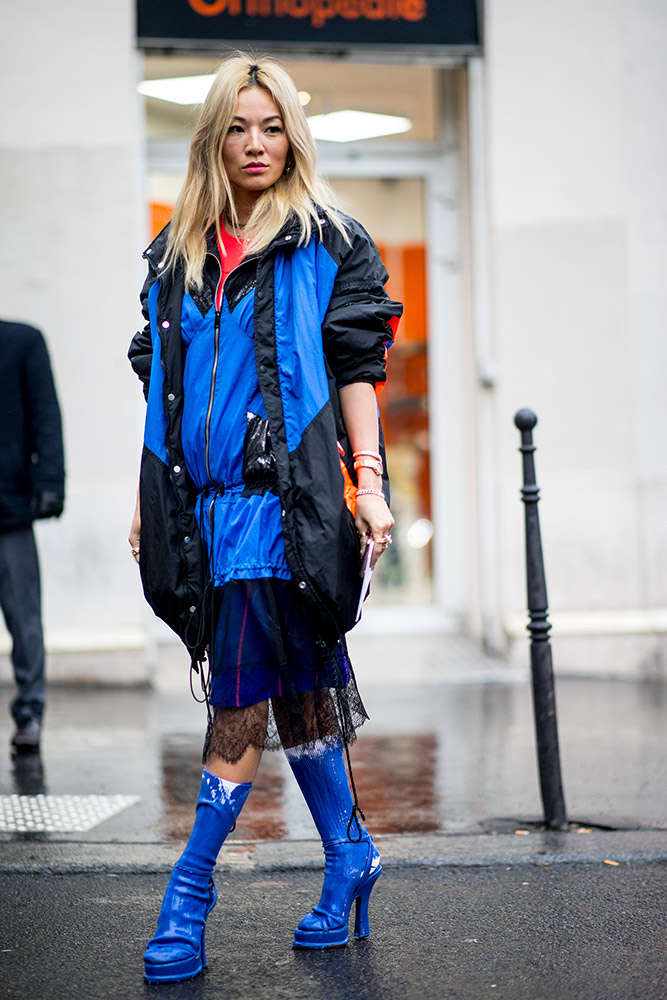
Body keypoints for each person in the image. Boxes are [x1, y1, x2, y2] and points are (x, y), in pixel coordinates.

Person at [128, 54, 401, 985]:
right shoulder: (177, 254)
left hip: (282, 507)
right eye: (239, 127)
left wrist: (369, 481)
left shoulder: (327, 240)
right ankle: (350, 854)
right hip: (203, 511)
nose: (256, 144)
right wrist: (144, 500)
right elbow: (159, 386)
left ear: (293, 135)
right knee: (295, 688)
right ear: (215, 135)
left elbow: (358, 367)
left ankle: (187, 896)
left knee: (240, 700)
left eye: (272, 127)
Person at [0, 319, 65, 754]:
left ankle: (30, 712)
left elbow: (46, 416)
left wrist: (49, 486)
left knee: (24, 621)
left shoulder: (22, 342)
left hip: (10, 509)